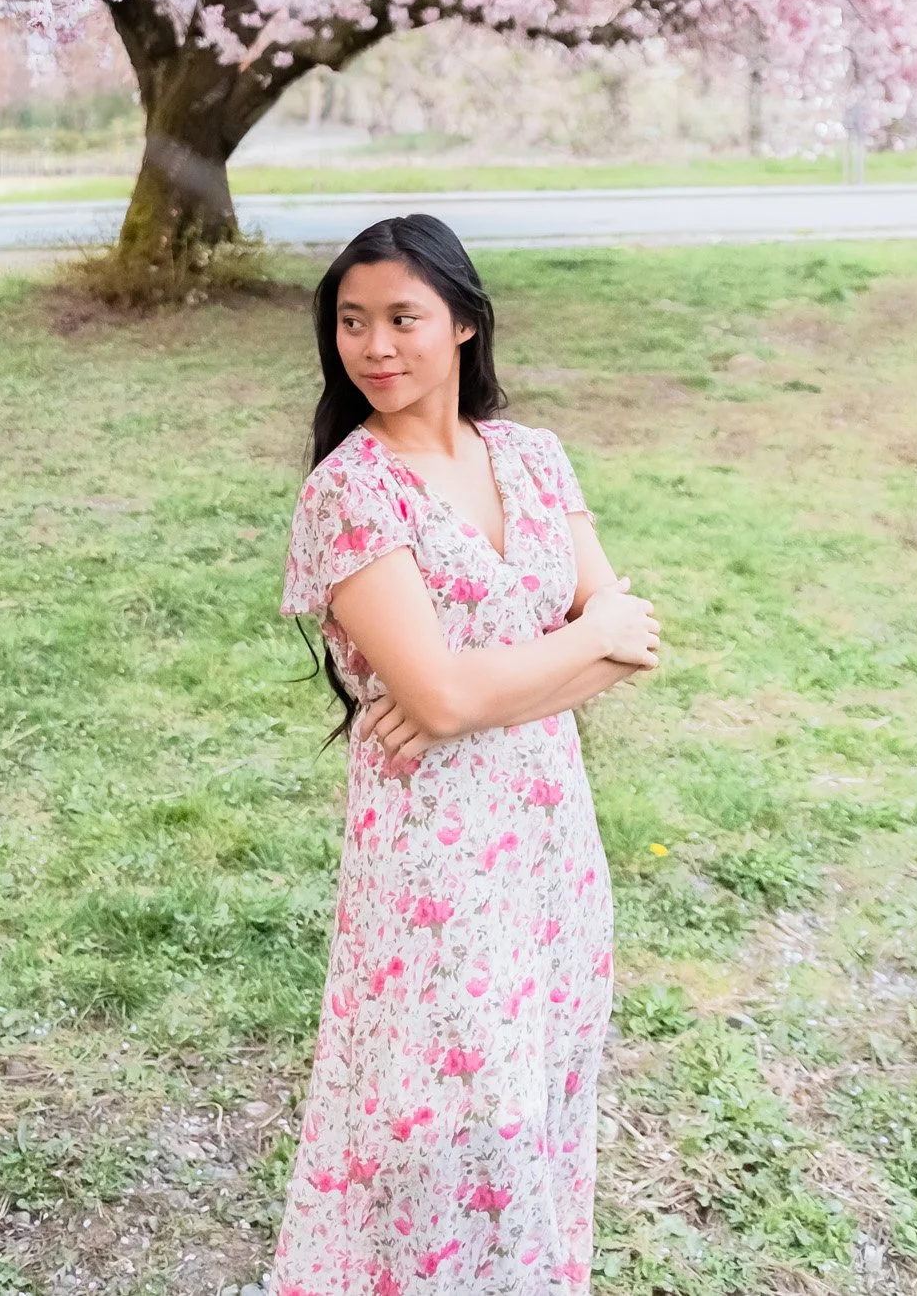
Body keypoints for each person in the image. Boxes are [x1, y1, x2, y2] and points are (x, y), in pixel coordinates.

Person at [270, 214, 661, 1294]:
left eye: (402, 317)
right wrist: (550, 657)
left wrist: (488, 686)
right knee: (441, 1119)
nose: (374, 345)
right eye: (350, 321)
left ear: (464, 325)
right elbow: (440, 691)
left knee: (539, 1093)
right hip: (433, 859)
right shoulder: (351, 490)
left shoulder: (531, 457)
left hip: (550, 839)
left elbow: (626, 634)